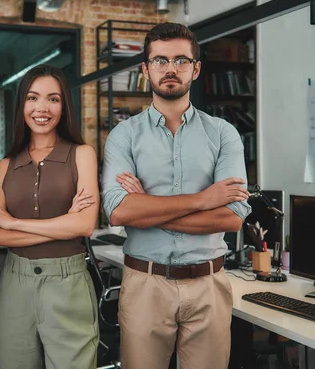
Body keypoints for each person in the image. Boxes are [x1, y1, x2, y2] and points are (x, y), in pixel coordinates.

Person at [101, 22, 252, 369]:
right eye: (160, 61)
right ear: (146, 69)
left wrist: (149, 207)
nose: (170, 69)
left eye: (181, 60)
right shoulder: (123, 136)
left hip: (209, 285)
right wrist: (204, 198)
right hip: (145, 284)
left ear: (196, 69)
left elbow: (232, 216)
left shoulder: (224, 133)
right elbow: (120, 213)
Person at [0, 64, 99, 369]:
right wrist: (65, 226)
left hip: (68, 284)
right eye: (33, 98)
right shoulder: (5, 165)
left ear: (64, 106)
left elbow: (85, 224)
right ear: (21, 104)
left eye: (53, 99)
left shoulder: (82, 154)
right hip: (14, 287)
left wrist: (15, 223)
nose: (42, 108)